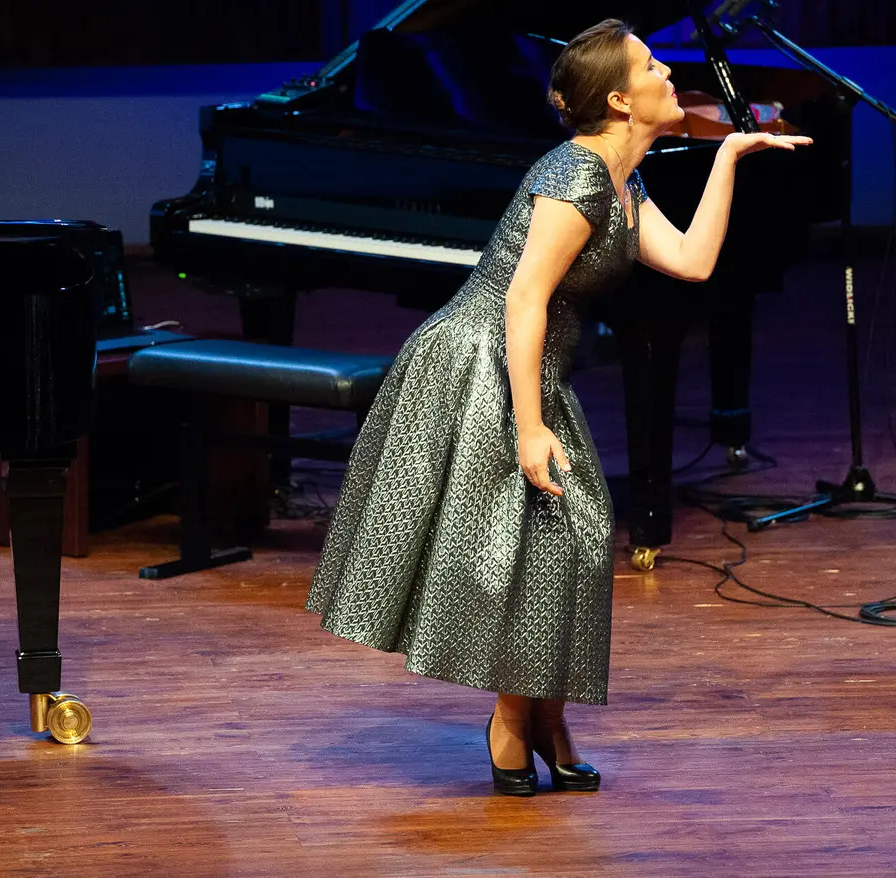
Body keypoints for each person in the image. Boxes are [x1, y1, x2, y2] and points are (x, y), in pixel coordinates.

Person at [305, 18, 811, 797]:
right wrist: (531, 427)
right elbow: (524, 300)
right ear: (619, 100)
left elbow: (692, 262)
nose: (668, 72)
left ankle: (543, 719)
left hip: (529, 367)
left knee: (572, 537)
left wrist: (726, 159)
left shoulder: (623, 179)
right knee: (534, 543)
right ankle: (516, 723)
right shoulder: (575, 173)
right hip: (479, 363)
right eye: (651, 65)